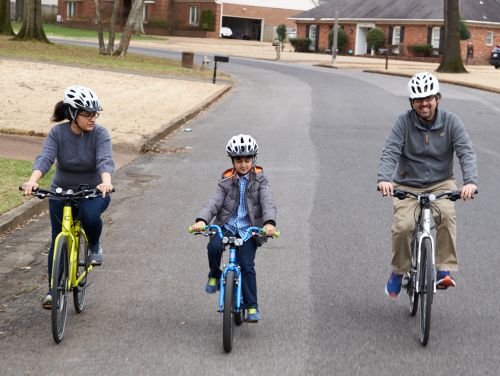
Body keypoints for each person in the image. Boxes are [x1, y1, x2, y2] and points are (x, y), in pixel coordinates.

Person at [377, 72, 477, 298]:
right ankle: (399, 272)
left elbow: (465, 153)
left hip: (441, 183)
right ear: (412, 102)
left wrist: (470, 182)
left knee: (447, 216)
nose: (424, 103)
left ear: (438, 98)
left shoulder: (452, 122)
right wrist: (384, 179)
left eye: (429, 98)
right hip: (408, 184)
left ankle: (443, 269)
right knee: (403, 227)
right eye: (419, 99)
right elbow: (391, 150)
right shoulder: (403, 123)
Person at [22, 85, 115, 309]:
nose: (92, 118)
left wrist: (106, 182)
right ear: (73, 114)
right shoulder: (58, 133)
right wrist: (33, 180)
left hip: (93, 191)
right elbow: (45, 158)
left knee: (90, 216)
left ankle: (94, 245)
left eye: (95, 114)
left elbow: (104, 160)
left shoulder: (100, 134)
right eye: (86, 114)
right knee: (57, 238)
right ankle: (53, 291)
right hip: (61, 191)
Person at [191, 134, 277, 322]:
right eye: (239, 160)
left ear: (254, 159)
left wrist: (269, 223)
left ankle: (252, 305)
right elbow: (213, 203)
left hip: (248, 231)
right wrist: (202, 220)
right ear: (232, 160)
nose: (243, 164)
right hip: (226, 226)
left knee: (247, 266)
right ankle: (214, 274)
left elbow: (268, 202)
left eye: (247, 160)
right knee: (213, 247)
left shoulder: (261, 181)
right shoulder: (226, 182)